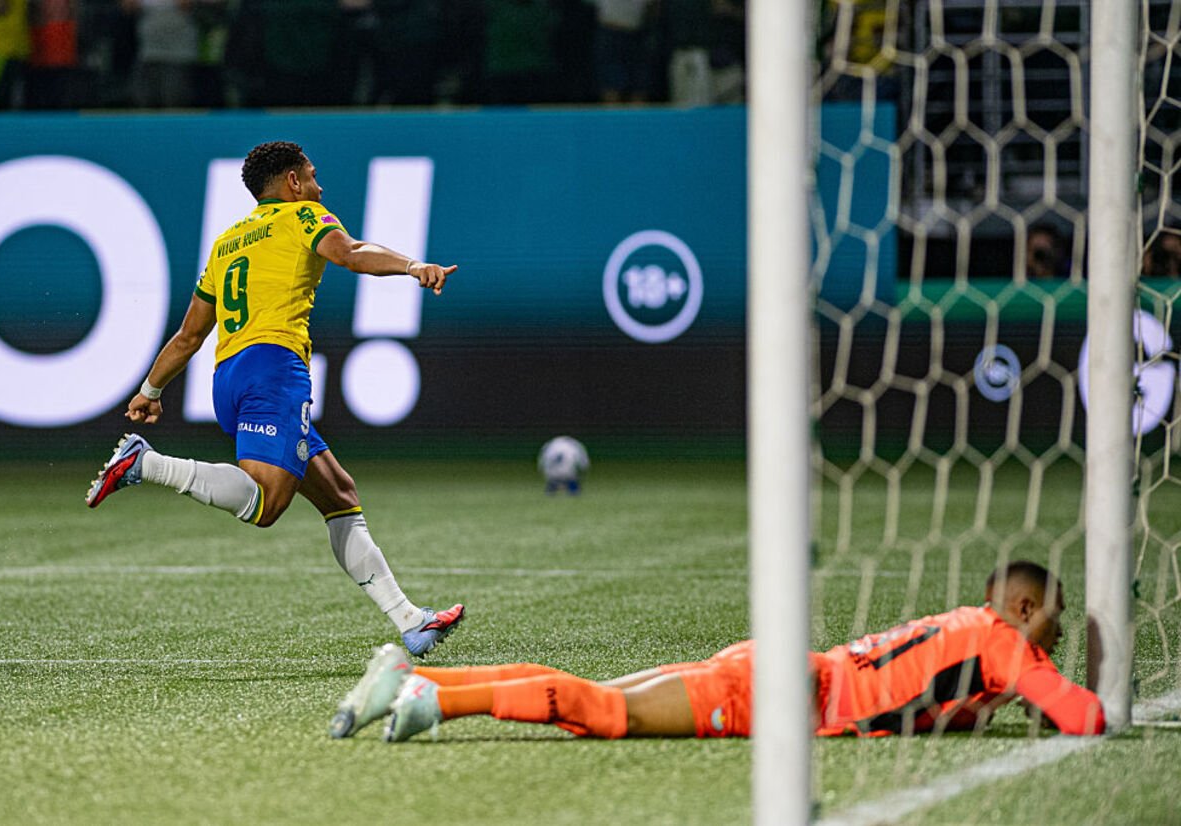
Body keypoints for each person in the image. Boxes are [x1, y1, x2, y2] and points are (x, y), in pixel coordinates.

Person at [86, 141, 465, 657]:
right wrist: (412, 265)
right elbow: (350, 253)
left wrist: (150, 390)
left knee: (338, 492)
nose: (318, 185)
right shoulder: (302, 216)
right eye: (311, 175)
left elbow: (189, 336)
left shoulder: (226, 243)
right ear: (291, 182)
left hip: (229, 377)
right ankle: (145, 464)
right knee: (265, 505)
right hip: (275, 371)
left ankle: (410, 620)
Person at [328, 560, 1105, 741]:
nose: (1059, 633)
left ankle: (411, 673)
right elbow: (1083, 719)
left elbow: (939, 707)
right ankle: (438, 701)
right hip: (779, 693)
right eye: (1055, 618)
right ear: (1025, 608)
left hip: (779, 670)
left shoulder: (969, 628)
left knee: (589, 691)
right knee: (601, 711)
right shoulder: (1007, 646)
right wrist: (1050, 665)